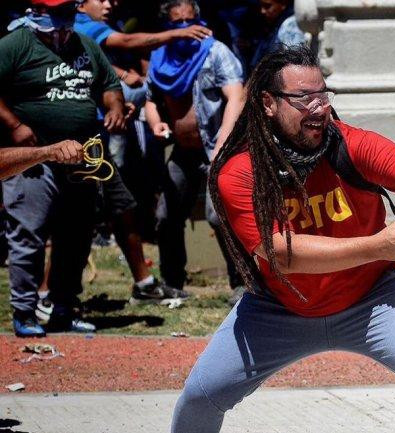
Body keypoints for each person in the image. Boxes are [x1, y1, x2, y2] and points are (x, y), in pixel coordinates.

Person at [171, 45, 395, 433]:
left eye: (323, 95)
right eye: (303, 98)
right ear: (268, 102)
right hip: (280, 307)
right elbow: (281, 254)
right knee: (201, 396)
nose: (318, 107)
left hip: (373, 297)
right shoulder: (240, 171)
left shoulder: (347, 143)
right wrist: (379, 246)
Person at [0, 0, 126, 337]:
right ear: (36, 13)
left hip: (81, 156)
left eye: (67, 13)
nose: (62, 23)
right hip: (34, 155)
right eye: (56, 14)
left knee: (76, 234)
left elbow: (110, 83)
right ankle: (25, 312)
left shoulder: (84, 44)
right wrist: (13, 124)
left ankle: (64, 308)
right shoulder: (14, 45)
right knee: (29, 232)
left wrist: (115, 106)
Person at [75, 0, 203, 304]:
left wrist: (120, 102)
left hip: (102, 137)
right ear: (80, 5)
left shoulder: (91, 32)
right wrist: (173, 36)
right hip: (80, 142)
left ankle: (144, 284)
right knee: (76, 219)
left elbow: (101, 72)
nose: (109, 5)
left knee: (122, 207)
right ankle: (51, 296)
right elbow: (128, 42)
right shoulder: (80, 27)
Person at [144, 0, 246, 301]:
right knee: (166, 215)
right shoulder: (161, 57)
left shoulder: (215, 52)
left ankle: (242, 283)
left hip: (218, 147)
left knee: (220, 216)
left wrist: (224, 144)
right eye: (178, 22)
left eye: (191, 20)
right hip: (184, 151)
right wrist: (156, 122)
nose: (187, 28)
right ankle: (172, 282)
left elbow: (236, 97)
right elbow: (151, 98)